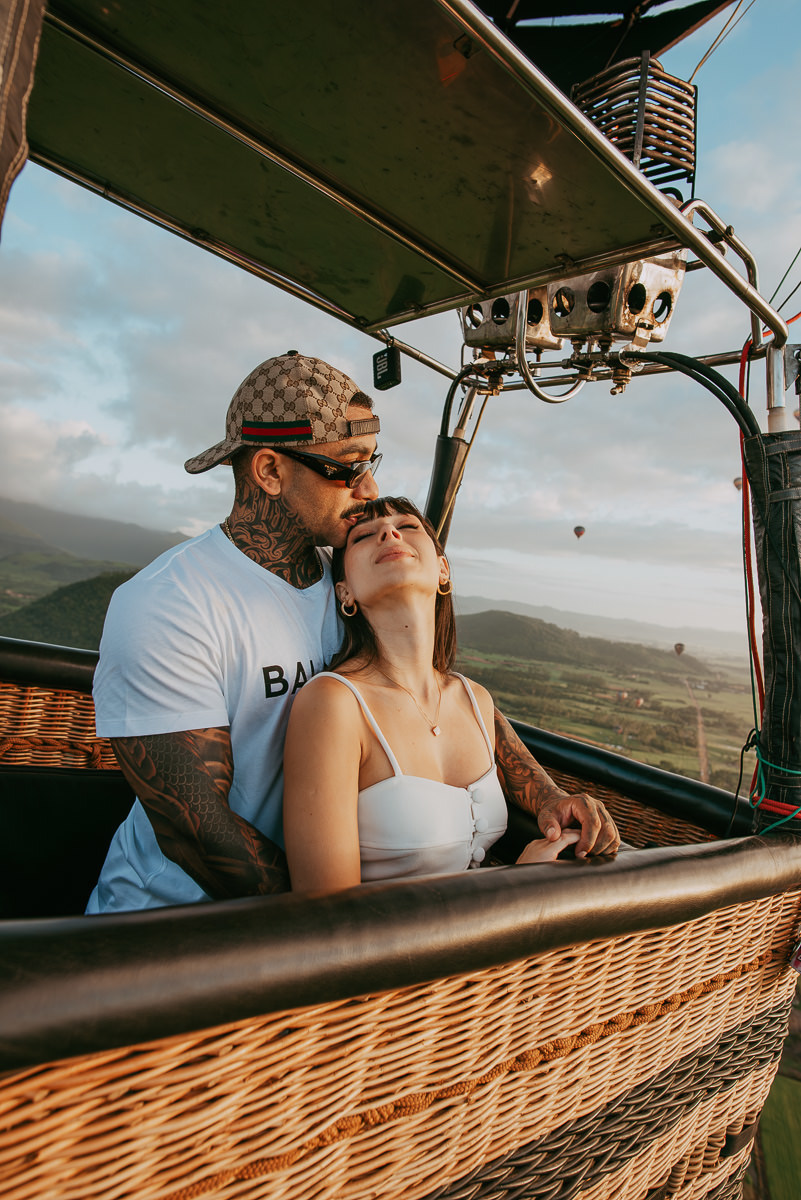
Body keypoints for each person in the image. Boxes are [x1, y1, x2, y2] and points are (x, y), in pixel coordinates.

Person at [87, 351, 618, 913]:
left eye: (372, 461)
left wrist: (546, 795)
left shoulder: (347, 581)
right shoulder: (172, 603)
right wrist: (341, 920)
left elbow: (438, 695)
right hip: (169, 927)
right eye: (346, 468)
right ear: (269, 471)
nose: (369, 488)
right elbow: (198, 831)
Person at [283, 498, 594, 891]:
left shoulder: (474, 699)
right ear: (345, 593)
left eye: (408, 527)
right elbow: (327, 914)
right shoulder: (334, 704)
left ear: (443, 570)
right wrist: (517, 886)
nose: (389, 533)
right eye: (364, 535)